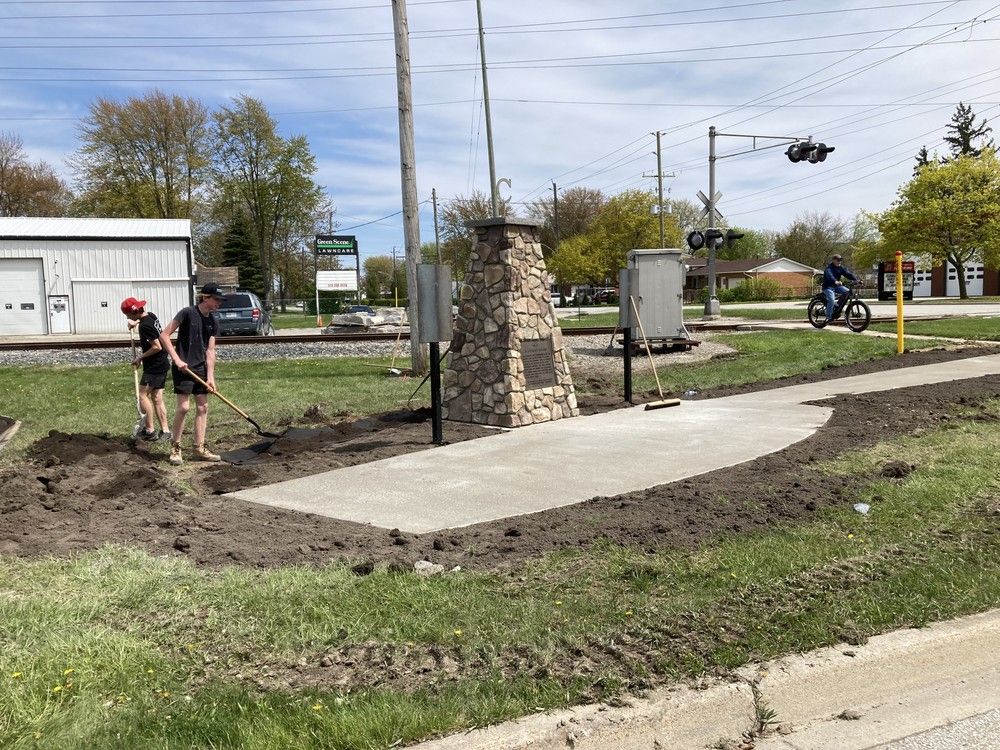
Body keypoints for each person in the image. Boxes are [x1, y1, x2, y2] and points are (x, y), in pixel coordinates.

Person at [158, 283, 226, 466]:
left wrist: (210, 376)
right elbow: (164, 335)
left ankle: (199, 448)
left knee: (203, 408)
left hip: (201, 369)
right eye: (216, 299)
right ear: (205, 297)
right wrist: (176, 359)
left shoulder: (213, 321)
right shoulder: (187, 313)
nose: (219, 303)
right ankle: (175, 447)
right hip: (183, 367)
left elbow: (211, 351)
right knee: (184, 407)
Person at [120, 297, 172, 442]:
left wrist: (140, 357)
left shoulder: (145, 327)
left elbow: (157, 346)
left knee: (142, 395)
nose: (128, 317)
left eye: (129, 315)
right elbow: (146, 323)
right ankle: (166, 431)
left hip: (155, 366)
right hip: (162, 363)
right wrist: (135, 322)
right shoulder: (151, 316)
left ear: (135, 312)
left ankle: (149, 430)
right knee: (157, 398)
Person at [822, 254, 858, 322]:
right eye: (838, 260)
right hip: (828, 287)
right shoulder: (828, 268)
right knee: (832, 300)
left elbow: (848, 274)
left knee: (848, 292)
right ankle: (828, 317)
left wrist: (856, 280)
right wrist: (835, 281)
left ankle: (837, 306)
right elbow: (830, 276)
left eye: (840, 260)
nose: (839, 261)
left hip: (837, 286)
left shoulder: (841, 268)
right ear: (833, 260)